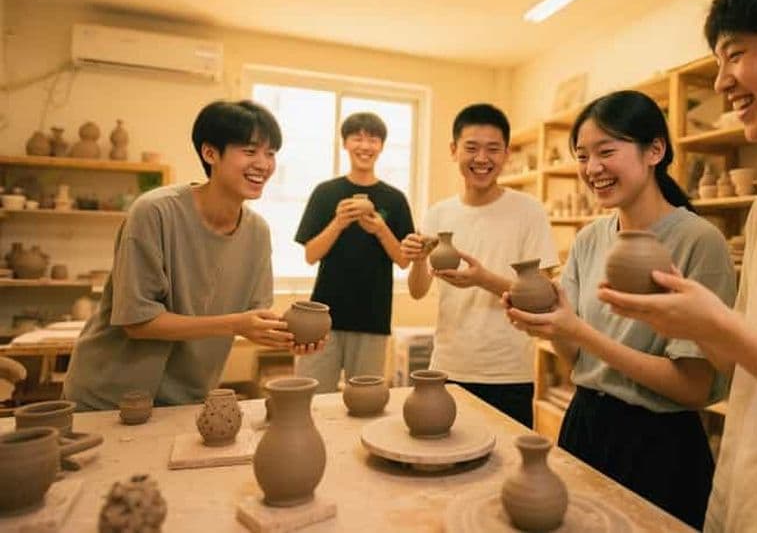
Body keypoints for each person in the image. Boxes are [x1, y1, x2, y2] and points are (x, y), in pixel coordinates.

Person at [596, 0, 757, 533]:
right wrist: (700, 328)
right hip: (747, 495)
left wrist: (718, 327)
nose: (720, 80)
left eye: (735, 54)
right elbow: (746, 373)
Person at [505, 90, 737, 528]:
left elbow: (692, 388)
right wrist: (549, 323)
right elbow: (576, 358)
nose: (592, 169)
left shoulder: (699, 242)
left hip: (658, 446)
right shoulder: (592, 237)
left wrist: (580, 332)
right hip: (585, 424)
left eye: (606, 151)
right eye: (582, 156)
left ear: (655, 150)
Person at [64, 100, 325, 410]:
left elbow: (252, 318)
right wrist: (236, 324)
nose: (264, 164)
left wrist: (288, 336)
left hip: (185, 400)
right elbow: (137, 322)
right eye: (250, 151)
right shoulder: (154, 213)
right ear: (210, 153)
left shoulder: (257, 233)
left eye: (270, 154)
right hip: (108, 397)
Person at [401, 103, 558, 428]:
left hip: (508, 372)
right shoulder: (437, 213)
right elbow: (418, 292)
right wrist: (417, 261)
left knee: (507, 471)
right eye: (471, 148)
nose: (482, 159)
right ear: (453, 150)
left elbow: (543, 297)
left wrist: (483, 279)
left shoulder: (529, 211)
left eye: (493, 149)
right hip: (447, 366)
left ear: (507, 153)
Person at [294, 112, 414, 393]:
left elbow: (404, 260)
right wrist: (338, 222)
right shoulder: (325, 193)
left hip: (372, 317)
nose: (365, 146)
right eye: (357, 138)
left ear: (381, 146)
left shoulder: (394, 200)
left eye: (372, 139)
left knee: (365, 401)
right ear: (345, 144)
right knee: (311, 397)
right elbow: (311, 255)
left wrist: (381, 229)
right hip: (322, 318)